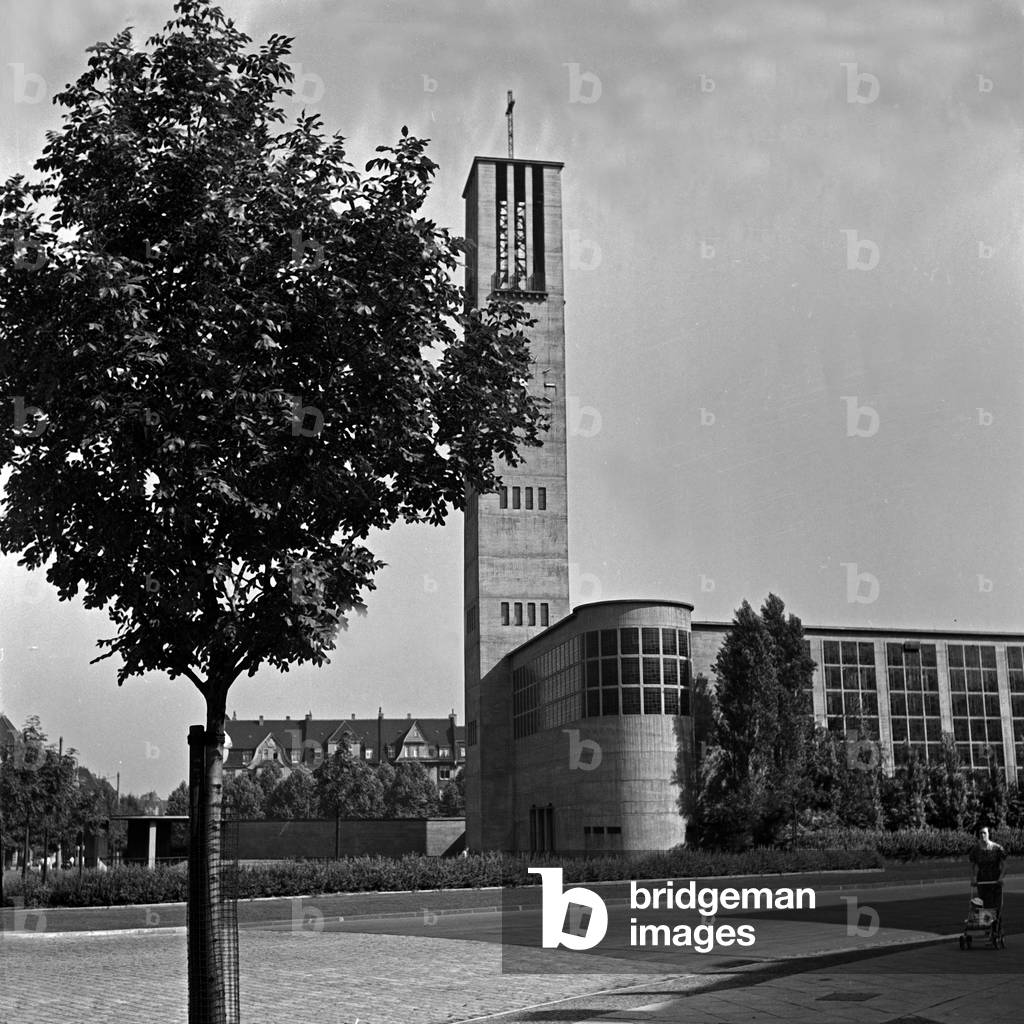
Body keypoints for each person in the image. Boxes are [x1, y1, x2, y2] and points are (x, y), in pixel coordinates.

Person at [969, 825, 1007, 910]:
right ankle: (985, 922)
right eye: (981, 833)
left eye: (984, 833)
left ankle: (996, 922)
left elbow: (1004, 866)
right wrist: (973, 878)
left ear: (989, 834)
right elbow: (972, 866)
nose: (982, 835)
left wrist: (1001, 877)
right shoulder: (975, 850)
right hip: (982, 881)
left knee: (996, 905)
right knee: (983, 905)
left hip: (995, 881)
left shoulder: (998, 848)